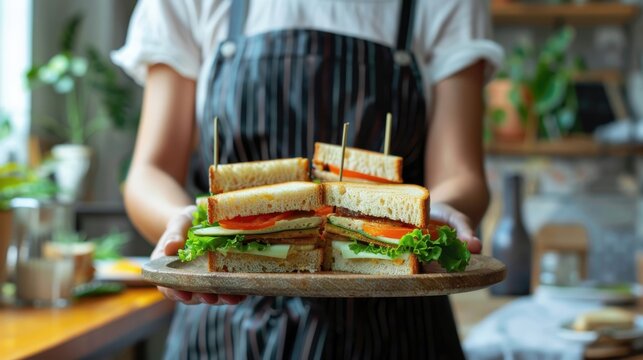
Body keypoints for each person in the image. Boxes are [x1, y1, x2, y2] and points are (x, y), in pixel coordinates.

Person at [113, 0, 503, 358]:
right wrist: (180, 221)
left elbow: (462, 175)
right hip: (223, 331)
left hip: (397, 328)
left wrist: (436, 214)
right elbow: (150, 172)